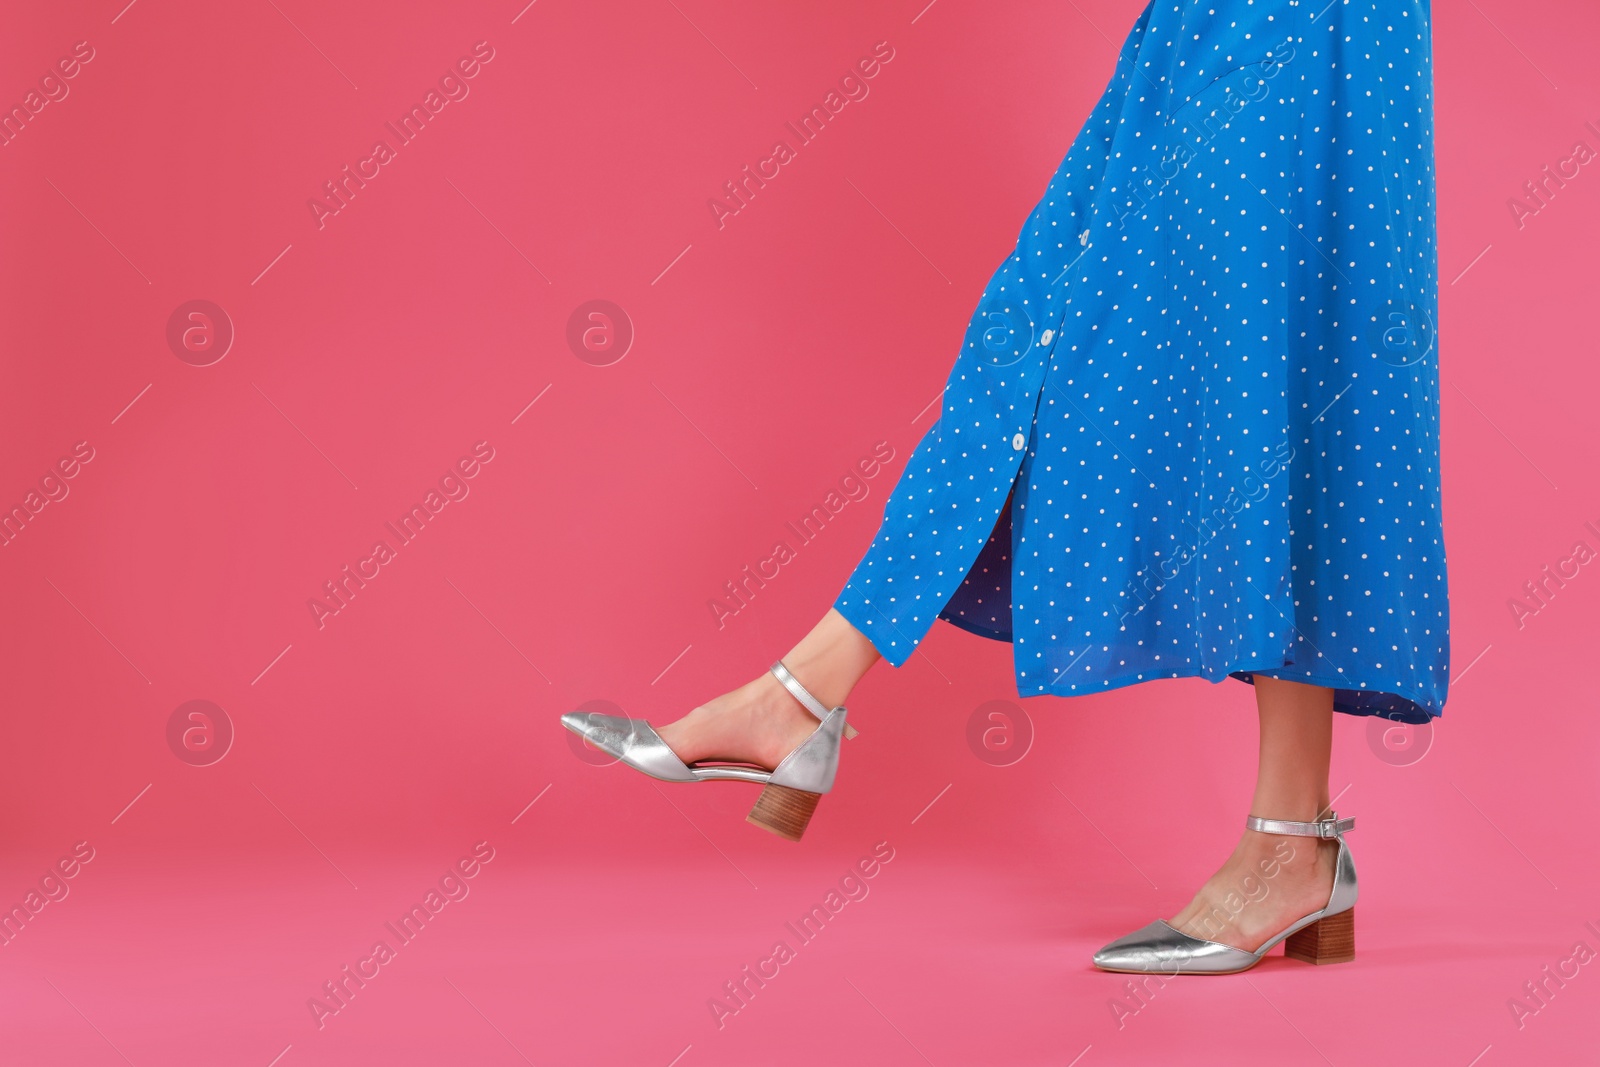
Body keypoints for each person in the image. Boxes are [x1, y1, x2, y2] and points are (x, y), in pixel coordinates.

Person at [565, 0, 1448, 975]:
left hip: (1301, 28)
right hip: (1207, 21)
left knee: (1275, 365)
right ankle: (804, 693)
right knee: (1093, 325)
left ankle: (1285, 837)